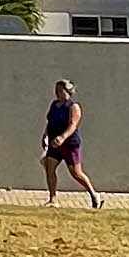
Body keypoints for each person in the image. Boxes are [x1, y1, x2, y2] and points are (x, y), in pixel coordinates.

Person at [42, 78, 103, 208]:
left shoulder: (73, 107)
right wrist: (45, 134)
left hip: (69, 144)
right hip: (54, 144)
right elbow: (50, 122)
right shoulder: (54, 105)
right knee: (49, 168)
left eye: (60, 90)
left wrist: (62, 137)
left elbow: (73, 125)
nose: (57, 93)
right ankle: (53, 199)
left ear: (68, 91)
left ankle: (94, 195)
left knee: (76, 173)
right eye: (56, 90)